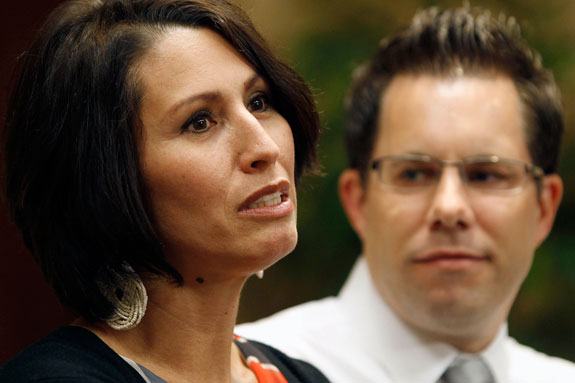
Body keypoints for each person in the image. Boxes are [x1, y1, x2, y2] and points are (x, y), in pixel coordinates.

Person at [237, 5, 575, 383]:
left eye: (485, 175)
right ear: (357, 200)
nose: (449, 208)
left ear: (544, 209)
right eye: (414, 173)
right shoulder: (250, 369)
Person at [0, 0, 330, 382]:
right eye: (200, 122)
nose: (265, 148)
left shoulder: (302, 376)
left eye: (258, 102)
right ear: (106, 179)